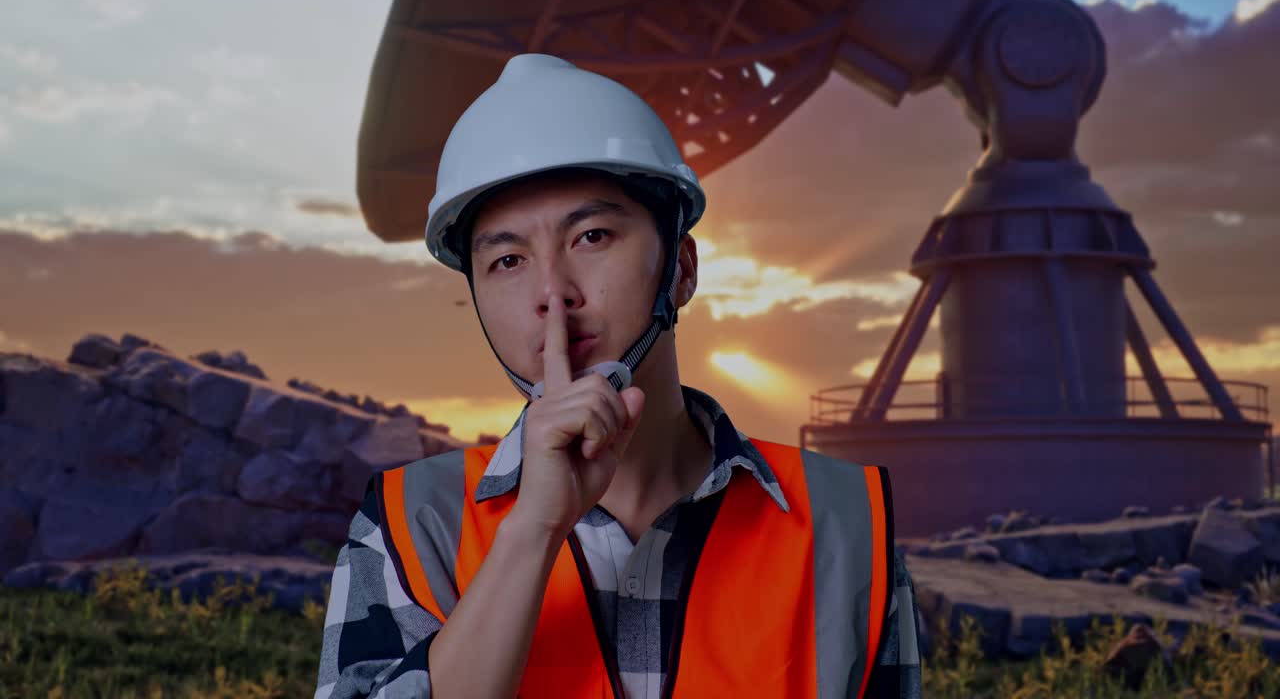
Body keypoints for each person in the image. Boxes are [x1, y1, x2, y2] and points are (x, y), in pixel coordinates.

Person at [315, 53, 923, 699]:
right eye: (508, 260)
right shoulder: (414, 523)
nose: (552, 294)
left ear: (681, 269)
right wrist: (534, 530)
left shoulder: (845, 521)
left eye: (593, 236)